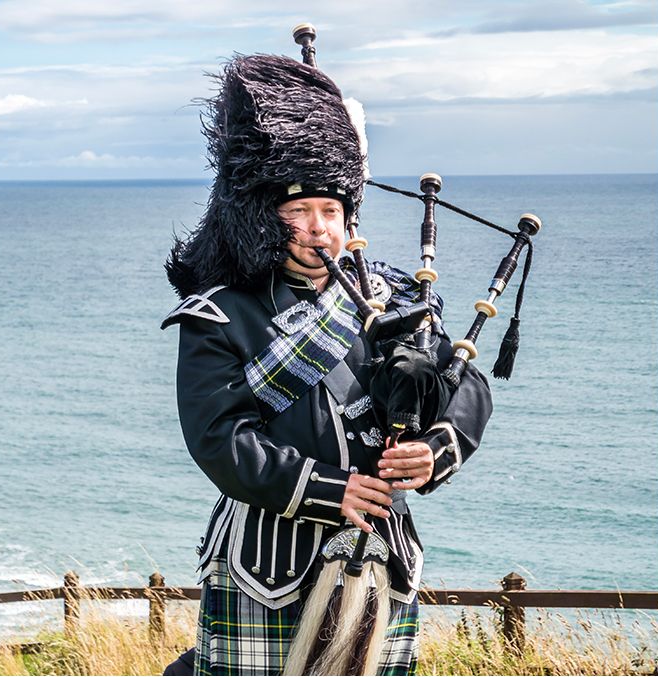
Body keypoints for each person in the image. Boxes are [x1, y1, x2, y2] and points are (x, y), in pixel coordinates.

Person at [160, 53, 493, 675]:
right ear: (266, 216)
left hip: (380, 559)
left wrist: (437, 449)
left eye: (332, 213)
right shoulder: (221, 315)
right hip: (266, 563)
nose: (320, 230)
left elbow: (465, 384)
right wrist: (330, 491)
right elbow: (218, 439)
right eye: (299, 212)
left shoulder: (394, 300)